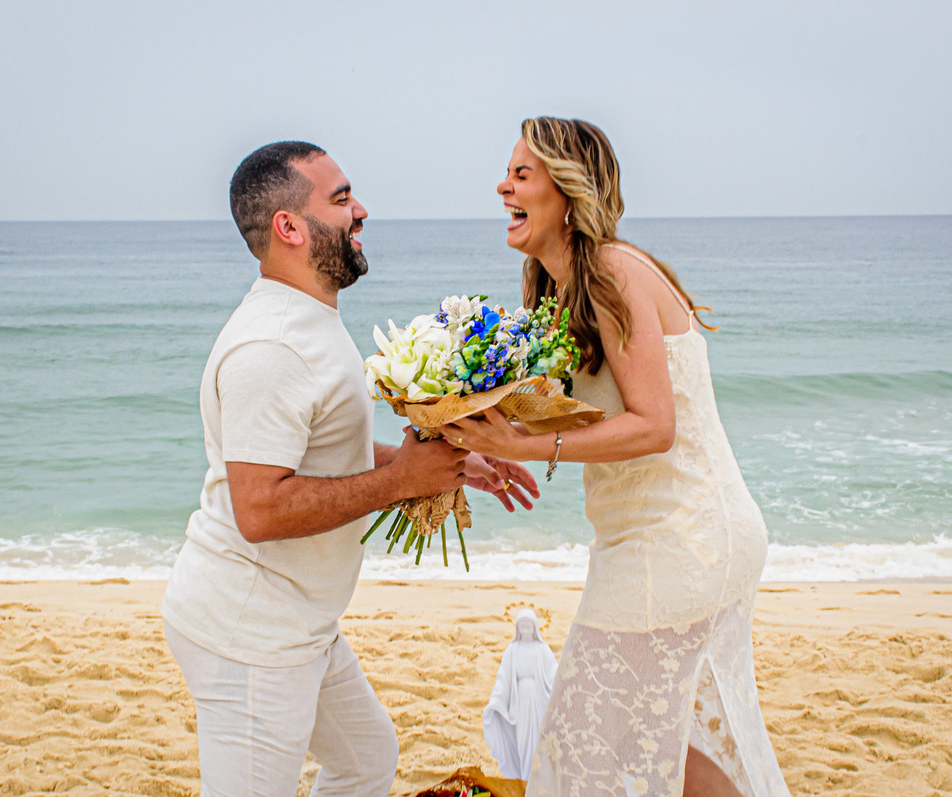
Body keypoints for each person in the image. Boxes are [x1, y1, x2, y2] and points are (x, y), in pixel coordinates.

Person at [160, 140, 538, 797]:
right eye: (340, 199)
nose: (360, 211)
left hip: (300, 621)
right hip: (250, 632)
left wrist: (448, 465)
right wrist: (402, 480)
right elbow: (260, 508)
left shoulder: (308, 320)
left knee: (366, 757)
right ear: (289, 226)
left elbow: (320, 454)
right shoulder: (272, 347)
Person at [442, 118, 791, 796]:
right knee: (664, 739)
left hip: (680, 536)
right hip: (652, 536)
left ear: (566, 191)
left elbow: (655, 425)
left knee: (582, 745)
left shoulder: (611, 269)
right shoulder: (550, 286)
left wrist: (525, 444)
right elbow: (570, 411)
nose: (502, 185)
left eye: (522, 174)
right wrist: (478, 442)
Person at [483, 608, 558, 781]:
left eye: (528, 627)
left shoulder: (542, 649)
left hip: (537, 700)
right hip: (520, 703)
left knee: (536, 739)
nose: (525, 631)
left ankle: (535, 778)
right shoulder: (512, 650)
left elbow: (553, 675)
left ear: (535, 628)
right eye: (522, 627)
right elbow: (504, 679)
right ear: (517, 629)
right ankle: (524, 776)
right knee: (522, 741)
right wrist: (496, 700)